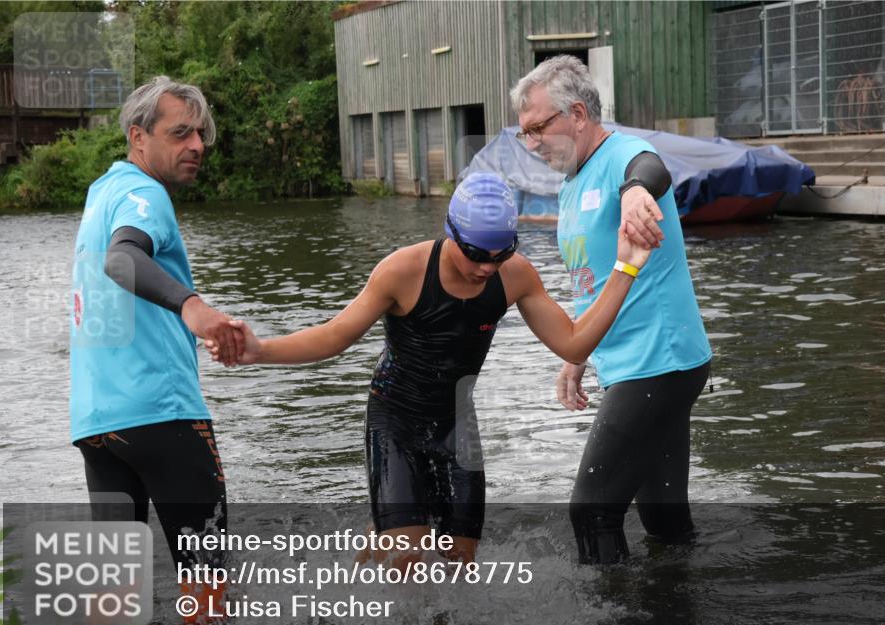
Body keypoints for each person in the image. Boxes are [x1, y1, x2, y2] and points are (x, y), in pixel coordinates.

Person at [207, 172, 651, 566]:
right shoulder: (403, 271)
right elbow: (336, 335)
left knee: (460, 560)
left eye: (500, 254)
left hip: (457, 421)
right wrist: (258, 351)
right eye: (475, 253)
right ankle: (375, 564)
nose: (485, 267)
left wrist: (626, 266)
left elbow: (574, 341)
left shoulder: (515, 275)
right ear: (451, 232)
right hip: (395, 417)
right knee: (406, 556)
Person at [511, 55, 713, 564]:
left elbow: (650, 170)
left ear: (577, 114)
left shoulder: (625, 153)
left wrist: (636, 191)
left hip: (658, 361)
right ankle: (679, 615)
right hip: (633, 361)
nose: (532, 143)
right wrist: (577, 353)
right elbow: (594, 281)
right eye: (524, 133)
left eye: (538, 128)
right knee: (664, 519)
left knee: (591, 510)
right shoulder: (574, 178)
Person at [69, 76, 242, 619]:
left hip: (98, 424)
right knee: (208, 601)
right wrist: (193, 306)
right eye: (181, 133)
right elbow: (121, 260)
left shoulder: (103, 192)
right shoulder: (146, 195)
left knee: (113, 604)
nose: (196, 146)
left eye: (201, 135)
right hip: (162, 415)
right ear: (138, 136)